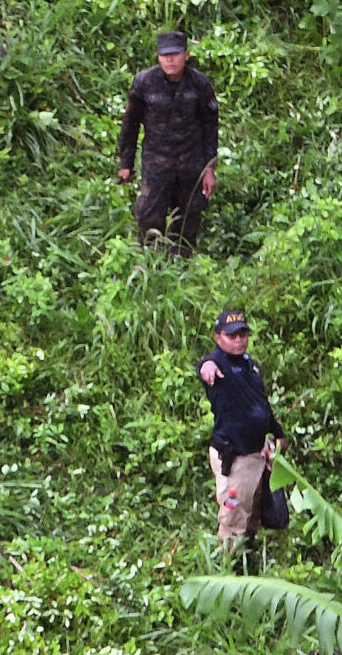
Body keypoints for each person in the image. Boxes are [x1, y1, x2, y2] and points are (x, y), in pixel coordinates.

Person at [118, 31, 218, 253]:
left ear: (186, 55)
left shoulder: (199, 84)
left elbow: (210, 126)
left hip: (191, 163)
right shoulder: (144, 83)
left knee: (188, 218)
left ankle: (182, 267)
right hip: (157, 162)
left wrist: (209, 169)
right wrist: (126, 164)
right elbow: (130, 124)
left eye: (174, 54)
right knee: (148, 215)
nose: (169, 60)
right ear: (158, 57)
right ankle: (150, 263)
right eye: (164, 55)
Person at [200, 308, 283, 568]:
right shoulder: (218, 365)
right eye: (232, 336)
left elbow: (261, 405)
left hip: (257, 454)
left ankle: (250, 561)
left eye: (243, 334)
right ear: (218, 337)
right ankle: (225, 571)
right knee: (233, 514)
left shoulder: (250, 365)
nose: (239, 340)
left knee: (254, 512)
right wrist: (206, 365)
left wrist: (277, 433)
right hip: (234, 457)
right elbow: (204, 366)